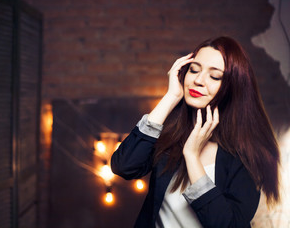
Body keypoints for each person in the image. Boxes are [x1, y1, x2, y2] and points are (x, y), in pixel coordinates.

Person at [111, 36, 281, 228]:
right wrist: (171, 97)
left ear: (233, 89)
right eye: (194, 70)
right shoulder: (171, 132)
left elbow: (228, 225)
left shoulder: (249, 153)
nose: (199, 80)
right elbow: (123, 167)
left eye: (214, 76)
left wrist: (192, 156)